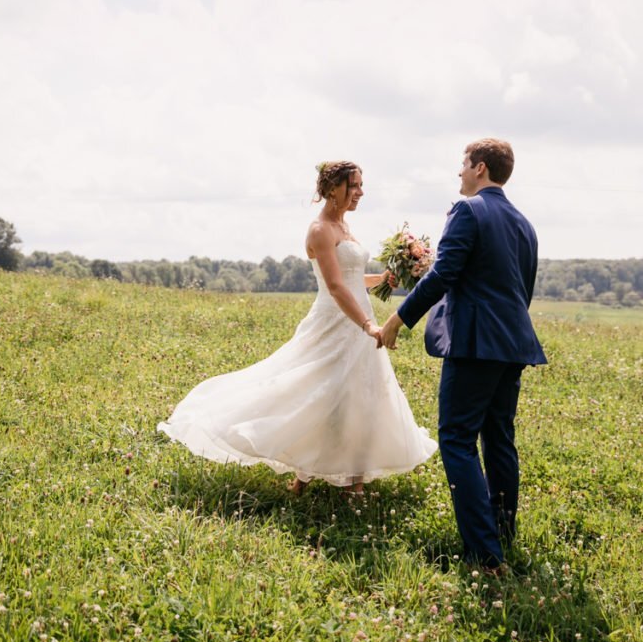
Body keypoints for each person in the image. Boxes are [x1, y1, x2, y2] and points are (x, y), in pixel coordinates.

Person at [158, 161, 437, 495]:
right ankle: (307, 476)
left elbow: (350, 279)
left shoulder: (345, 227)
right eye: (355, 185)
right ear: (333, 189)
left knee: (360, 398)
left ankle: (352, 479)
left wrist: (381, 280)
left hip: (359, 321)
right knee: (318, 395)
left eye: (361, 185)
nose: (361, 192)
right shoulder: (320, 230)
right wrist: (367, 325)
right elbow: (334, 286)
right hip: (337, 322)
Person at [380, 139, 547, 570]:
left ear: (480, 167)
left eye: (463, 165)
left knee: (456, 439)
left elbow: (443, 275)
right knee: (499, 438)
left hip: (476, 343)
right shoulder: (525, 223)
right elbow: (521, 289)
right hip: (514, 343)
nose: (459, 173)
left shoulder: (467, 211)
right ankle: (501, 533)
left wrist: (398, 320)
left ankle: (485, 555)